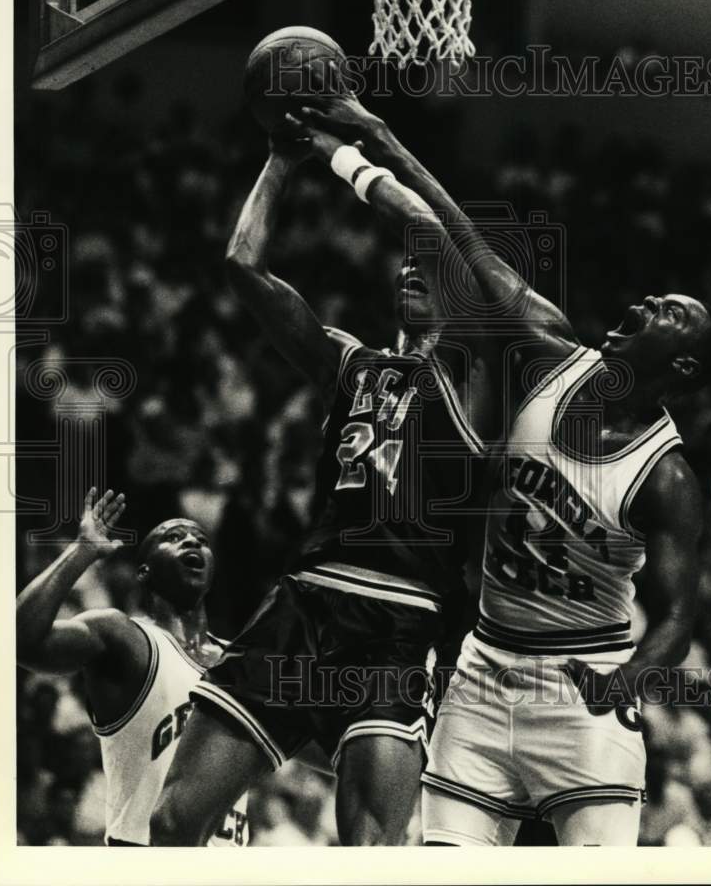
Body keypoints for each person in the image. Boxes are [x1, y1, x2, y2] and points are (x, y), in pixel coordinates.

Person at [293, 82, 711, 845]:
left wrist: (624, 680)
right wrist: (367, 146)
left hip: (579, 690)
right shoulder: (545, 353)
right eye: (653, 297)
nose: (649, 301)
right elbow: (456, 238)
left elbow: (680, 617)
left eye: (670, 312)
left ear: (679, 369)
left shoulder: (665, 478)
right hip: (482, 673)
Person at [150, 118, 494, 846]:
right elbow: (243, 267)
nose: (412, 267)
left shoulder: (476, 370)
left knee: (367, 846)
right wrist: (277, 160)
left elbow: (431, 228)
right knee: (174, 819)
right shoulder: (352, 363)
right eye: (403, 266)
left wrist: (347, 151)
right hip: (304, 600)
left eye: (426, 267)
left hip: (400, 620)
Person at [16, 488, 249, 846]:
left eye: (200, 539)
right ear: (145, 571)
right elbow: (18, 640)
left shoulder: (242, 662)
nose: (191, 540)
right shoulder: (123, 637)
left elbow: (323, 741)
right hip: (144, 857)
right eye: (174, 537)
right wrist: (82, 552)